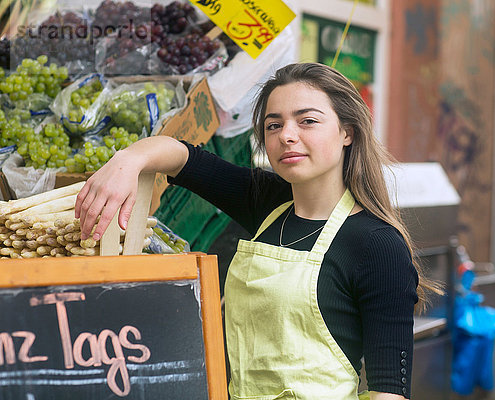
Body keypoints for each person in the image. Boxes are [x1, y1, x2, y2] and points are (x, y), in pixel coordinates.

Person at [75, 62, 442, 399]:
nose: (287, 136)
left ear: (347, 132)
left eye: (307, 121)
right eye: (274, 125)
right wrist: (128, 160)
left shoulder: (376, 244)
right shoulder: (266, 201)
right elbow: (184, 157)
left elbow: (389, 391)